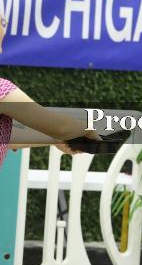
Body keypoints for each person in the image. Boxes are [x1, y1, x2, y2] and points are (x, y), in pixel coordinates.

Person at [0, 15, 102, 168]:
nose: (0, 50)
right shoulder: (3, 90)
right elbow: (61, 127)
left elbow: (6, 138)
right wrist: (86, 129)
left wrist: (54, 138)